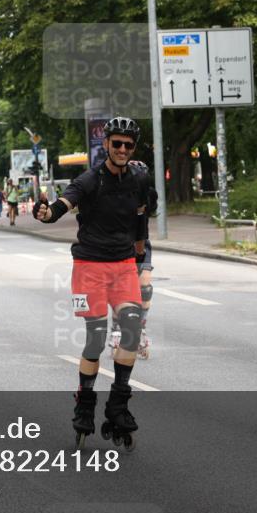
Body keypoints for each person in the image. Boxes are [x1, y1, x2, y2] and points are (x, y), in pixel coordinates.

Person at [34, 117, 151, 450]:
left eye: (129, 145)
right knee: (97, 338)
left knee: (130, 328)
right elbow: (61, 206)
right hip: (89, 267)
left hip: (124, 265)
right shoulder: (88, 180)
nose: (123, 150)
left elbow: (140, 221)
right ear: (107, 145)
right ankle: (85, 402)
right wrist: (45, 212)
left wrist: (143, 260)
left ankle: (118, 405)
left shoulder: (139, 179)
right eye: (117, 144)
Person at [109, 160, 158, 360]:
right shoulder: (115, 196)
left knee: (145, 287)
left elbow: (151, 212)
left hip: (141, 244)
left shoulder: (148, 195)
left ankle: (141, 328)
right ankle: (117, 330)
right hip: (119, 246)